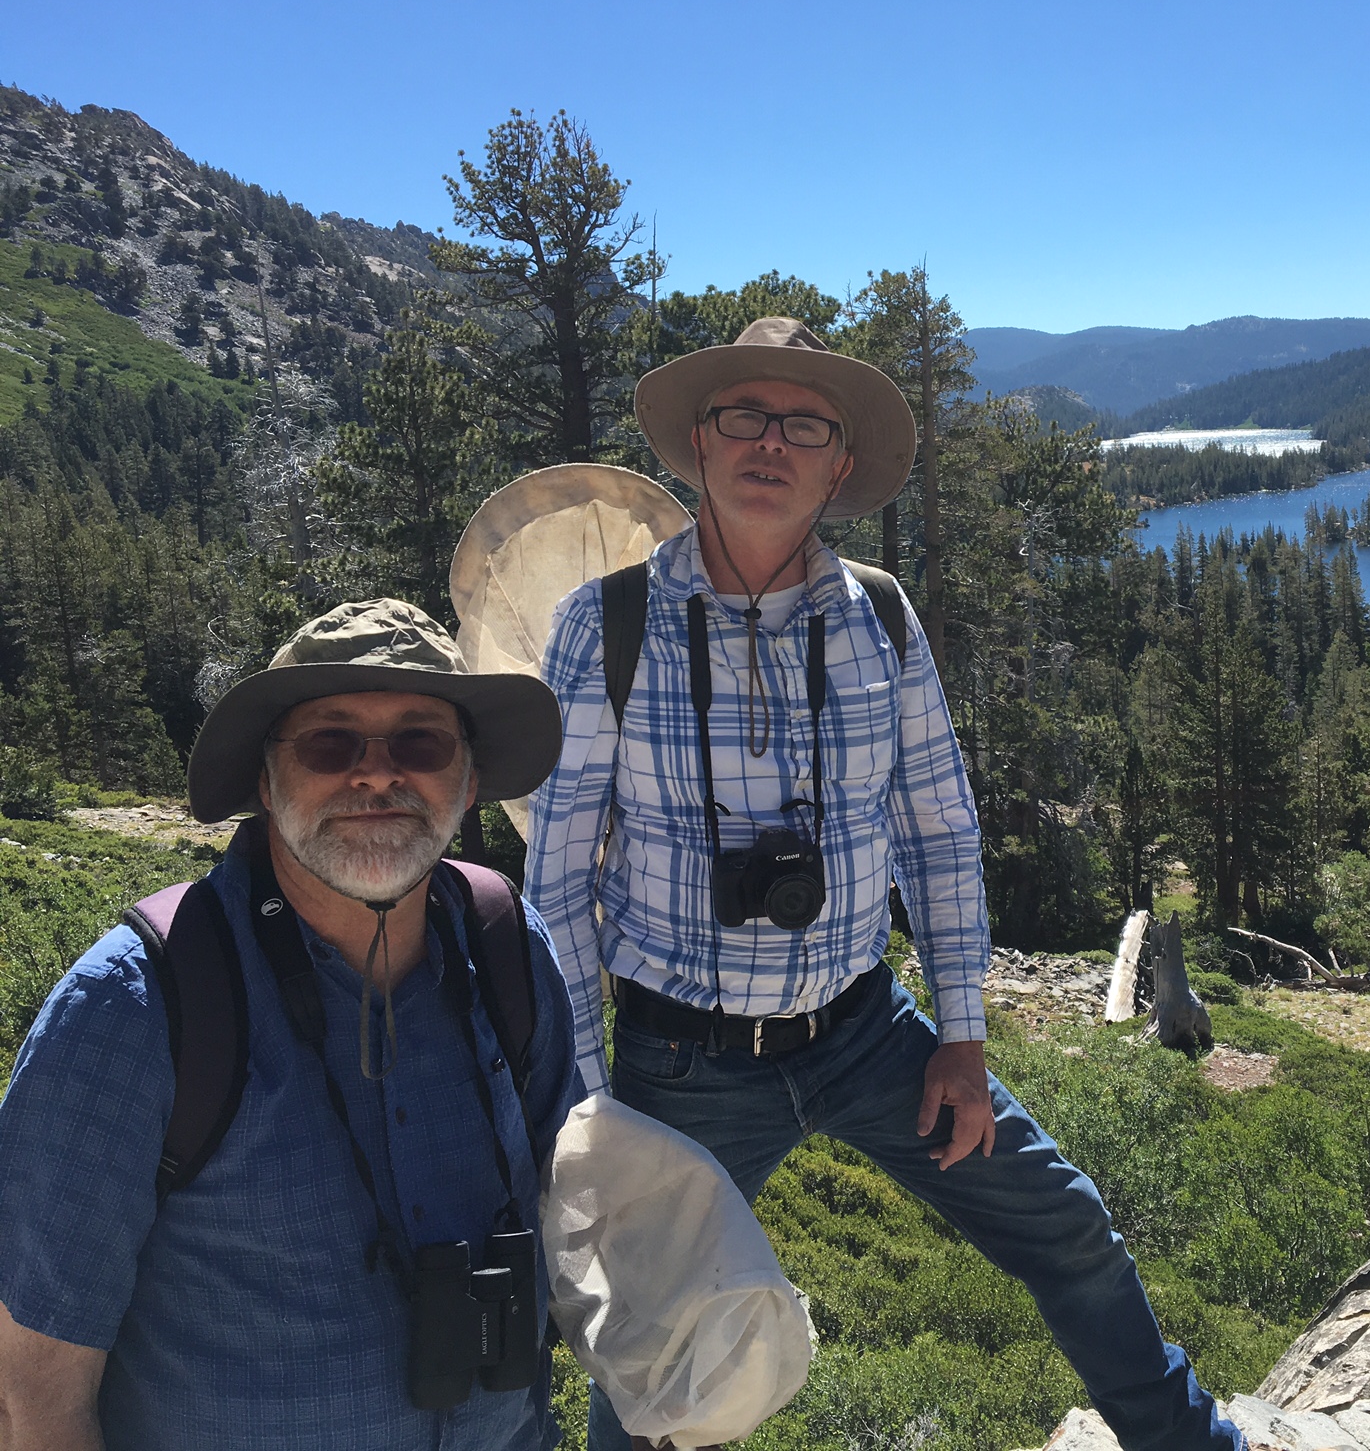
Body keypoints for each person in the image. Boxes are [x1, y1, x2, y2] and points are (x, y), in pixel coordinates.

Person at [527, 317, 1243, 1451]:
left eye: (804, 424)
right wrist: (583, 1100)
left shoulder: (884, 619)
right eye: (743, 417)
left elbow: (938, 832)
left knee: (1065, 1226)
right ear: (698, 447)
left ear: (840, 464)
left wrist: (962, 1033)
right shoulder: (606, 627)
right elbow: (556, 883)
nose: (772, 443)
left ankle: (1191, 1444)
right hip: (680, 1060)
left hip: (870, 1035)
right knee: (654, 1359)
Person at [0, 600, 583, 1451]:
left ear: (466, 782)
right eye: (329, 743)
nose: (377, 775)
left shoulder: (509, 950)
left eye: (420, 743)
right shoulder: (133, 1010)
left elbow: (573, 1215)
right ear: (267, 784)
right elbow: (35, 1396)